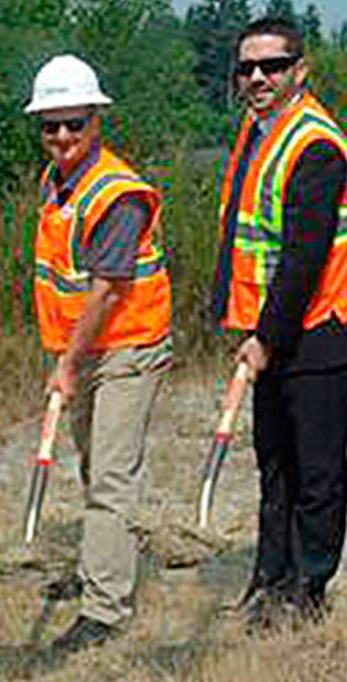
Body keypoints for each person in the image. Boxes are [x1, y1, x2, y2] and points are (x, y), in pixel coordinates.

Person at [24, 55, 172, 653]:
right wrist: (67, 357)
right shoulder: (56, 181)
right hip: (85, 349)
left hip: (129, 347)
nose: (62, 136)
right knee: (94, 465)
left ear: (97, 121)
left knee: (110, 476)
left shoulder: (117, 195)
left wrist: (66, 364)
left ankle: (104, 608)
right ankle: (99, 567)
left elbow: (108, 289)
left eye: (74, 123)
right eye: (50, 125)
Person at [213, 17, 347, 630]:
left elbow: (304, 258)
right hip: (269, 326)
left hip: (320, 328)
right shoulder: (257, 130)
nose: (258, 78)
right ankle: (270, 576)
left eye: (272, 66)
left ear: (300, 69)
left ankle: (308, 589)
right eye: (247, 68)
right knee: (274, 463)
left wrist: (266, 338)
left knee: (318, 470)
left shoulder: (316, 144)